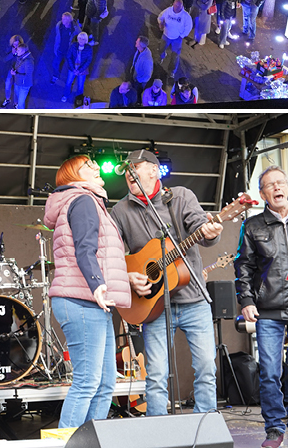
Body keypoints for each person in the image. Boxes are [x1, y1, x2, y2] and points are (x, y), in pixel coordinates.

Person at [109, 150, 222, 418]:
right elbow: (110, 254)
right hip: (154, 305)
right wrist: (127, 276)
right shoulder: (120, 210)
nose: (129, 173)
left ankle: (206, 426)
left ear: (153, 171)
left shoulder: (181, 196)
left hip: (194, 299)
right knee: (156, 374)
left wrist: (211, 233)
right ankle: (156, 431)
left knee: (207, 367)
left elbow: (202, 232)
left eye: (135, 167)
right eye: (127, 170)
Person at [43, 153, 130, 430]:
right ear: (74, 177)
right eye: (89, 165)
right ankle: (65, 443)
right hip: (81, 299)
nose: (96, 167)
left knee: (105, 383)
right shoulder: (81, 200)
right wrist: (98, 285)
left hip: (93, 301)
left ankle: (91, 440)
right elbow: (85, 248)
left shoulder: (90, 202)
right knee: (87, 382)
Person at [235, 166, 288, 448]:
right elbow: (243, 267)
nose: (277, 187)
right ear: (262, 194)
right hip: (268, 309)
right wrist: (246, 300)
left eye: (281, 182)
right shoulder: (253, 226)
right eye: (270, 185)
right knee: (271, 371)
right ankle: (274, 427)